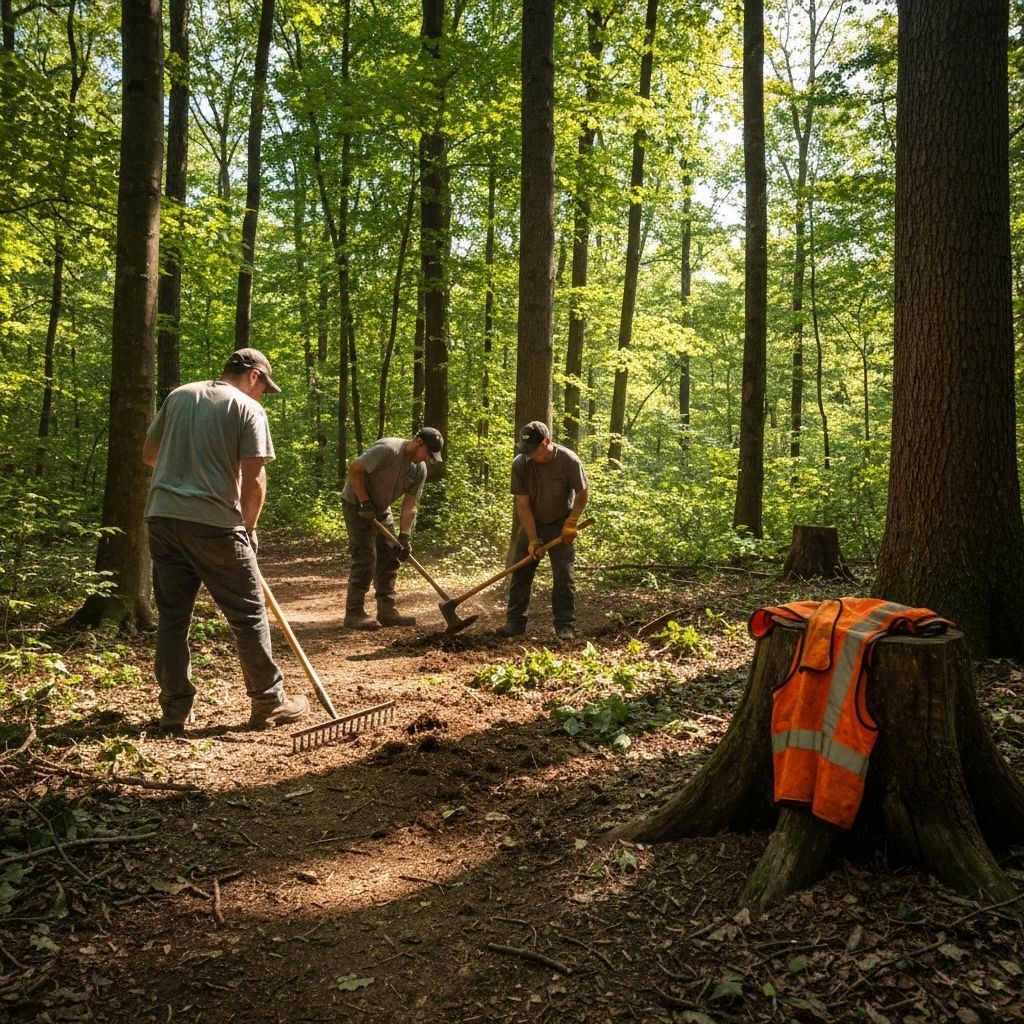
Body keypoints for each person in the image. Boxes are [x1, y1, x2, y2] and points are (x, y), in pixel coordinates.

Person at [142, 348, 309, 737]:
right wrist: (247, 529)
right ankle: (268, 700)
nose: (263, 395)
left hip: (162, 517)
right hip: (215, 524)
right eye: (264, 387)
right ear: (253, 376)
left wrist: (189, 465)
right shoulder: (248, 410)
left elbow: (149, 455)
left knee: (173, 617)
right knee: (247, 613)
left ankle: (174, 710)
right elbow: (253, 481)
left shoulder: (180, 395)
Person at [341, 427, 444, 630]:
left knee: (390, 554)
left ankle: (387, 611)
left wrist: (404, 536)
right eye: (428, 454)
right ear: (419, 442)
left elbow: (410, 504)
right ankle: (353, 613)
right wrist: (364, 502)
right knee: (366, 557)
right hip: (356, 502)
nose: (428, 459)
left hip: (380, 507)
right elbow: (355, 470)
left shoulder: (418, 469)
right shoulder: (388, 449)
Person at [497, 420, 589, 641]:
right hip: (532, 522)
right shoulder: (520, 464)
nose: (528, 454)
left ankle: (564, 625)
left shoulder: (568, 460)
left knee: (564, 575)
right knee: (520, 572)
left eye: (533, 450)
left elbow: (583, 494)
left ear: (547, 442)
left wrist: (571, 522)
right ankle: (515, 622)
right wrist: (532, 538)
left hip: (560, 522)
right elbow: (522, 505)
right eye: (525, 450)